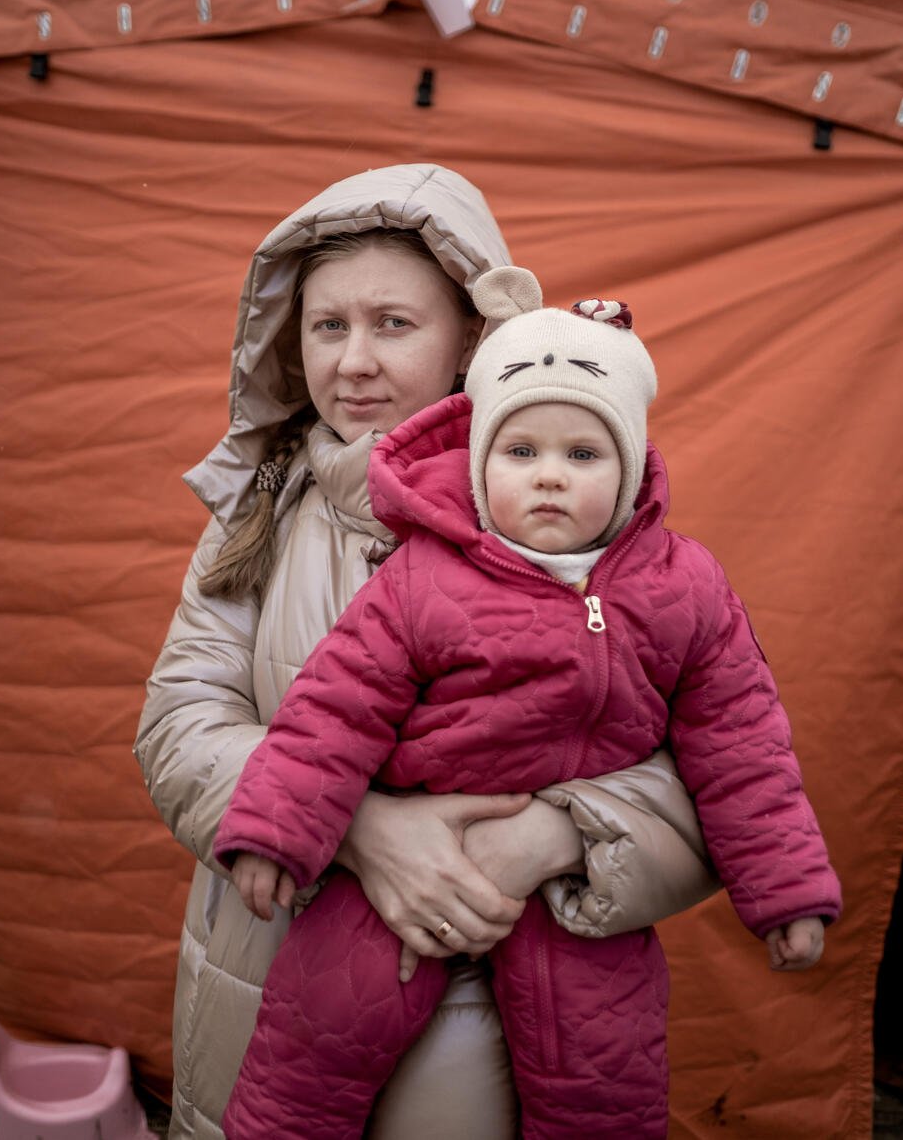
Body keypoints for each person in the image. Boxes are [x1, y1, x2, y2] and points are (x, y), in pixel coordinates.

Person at [135, 166, 717, 1140]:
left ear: (468, 342)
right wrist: (355, 825)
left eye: (393, 324)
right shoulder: (261, 512)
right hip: (266, 980)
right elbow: (179, 722)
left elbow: (722, 757)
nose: (353, 361)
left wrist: (556, 835)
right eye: (328, 327)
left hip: (492, 1020)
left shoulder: (571, 514)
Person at [213, 265, 842, 1140]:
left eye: (582, 455)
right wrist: (277, 830)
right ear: (479, 465)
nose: (550, 476)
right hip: (402, 860)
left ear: (628, 469)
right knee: (312, 1039)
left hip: (573, 892)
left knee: (603, 1074)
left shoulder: (683, 586)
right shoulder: (425, 578)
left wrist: (785, 891)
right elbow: (333, 708)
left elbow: (742, 744)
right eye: (522, 452)